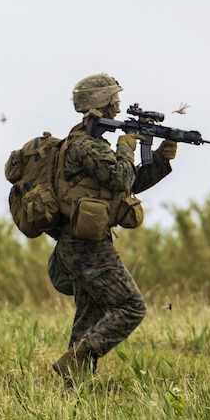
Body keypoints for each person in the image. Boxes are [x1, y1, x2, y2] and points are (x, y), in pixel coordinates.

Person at [50, 73, 176, 385]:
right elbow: (121, 178)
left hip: (79, 242)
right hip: (86, 246)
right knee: (131, 307)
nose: (118, 108)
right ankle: (76, 360)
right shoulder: (85, 146)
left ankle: (72, 392)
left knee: (88, 317)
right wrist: (126, 146)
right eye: (114, 101)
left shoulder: (89, 144)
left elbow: (125, 185)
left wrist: (159, 160)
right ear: (100, 104)